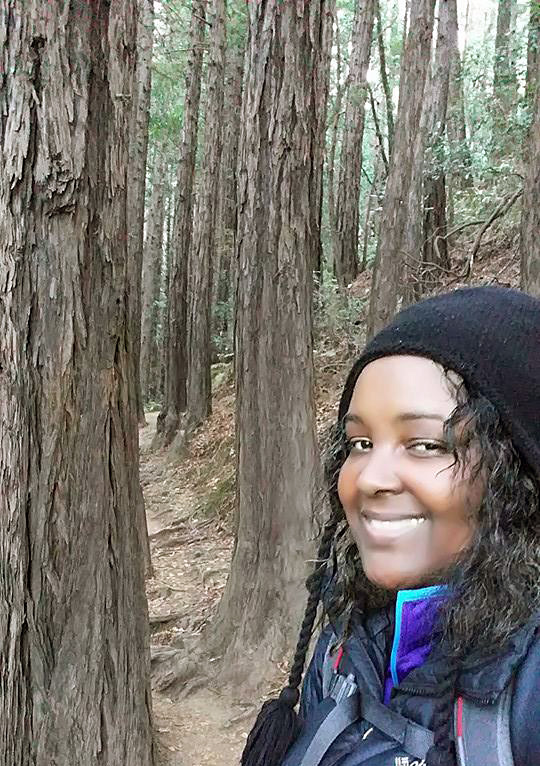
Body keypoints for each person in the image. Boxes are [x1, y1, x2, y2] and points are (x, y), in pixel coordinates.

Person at [241, 286, 540, 766]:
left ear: (516, 470)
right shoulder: (347, 638)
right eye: (360, 443)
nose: (371, 478)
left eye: (425, 445)